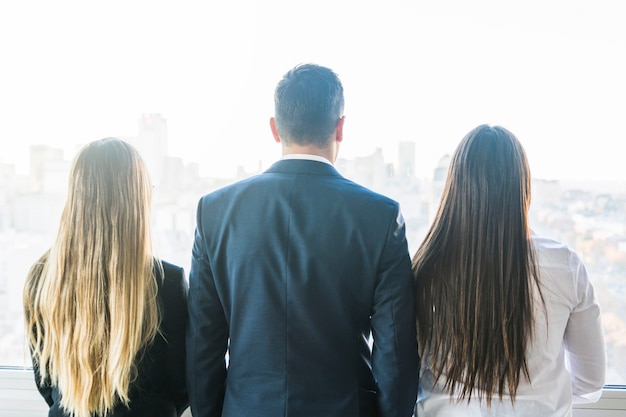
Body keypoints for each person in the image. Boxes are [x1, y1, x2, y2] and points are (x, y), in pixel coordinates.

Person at [186, 63, 419, 417]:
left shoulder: (215, 212)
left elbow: (204, 346)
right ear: (340, 128)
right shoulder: (380, 217)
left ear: (275, 129)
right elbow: (395, 355)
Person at [412, 124, 606, 416]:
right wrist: (539, 396)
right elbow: (590, 382)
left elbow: (403, 370)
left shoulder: (427, 267)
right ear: (523, 185)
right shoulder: (564, 266)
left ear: (456, 187)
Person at [23, 138, 189, 417]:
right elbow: (180, 385)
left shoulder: (41, 278)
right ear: (137, 200)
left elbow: (46, 382)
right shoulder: (167, 282)